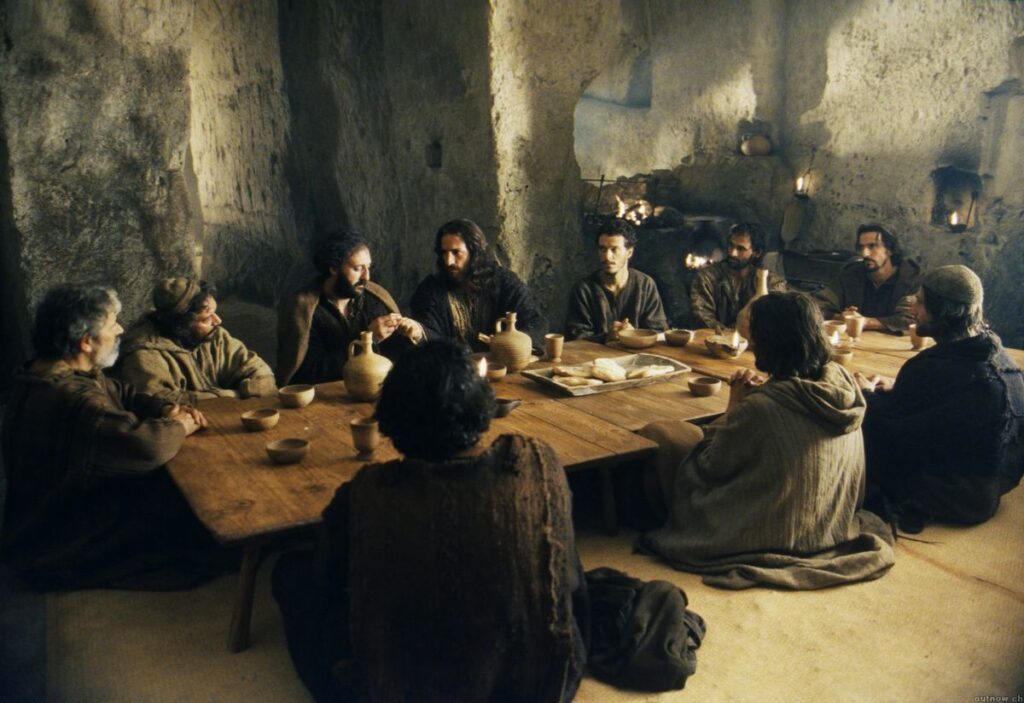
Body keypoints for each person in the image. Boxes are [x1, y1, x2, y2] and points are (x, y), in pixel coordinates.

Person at [272, 339, 587, 703]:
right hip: (541, 687)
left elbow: (330, 582)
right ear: (481, 407)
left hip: (402, 693)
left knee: (291, 574)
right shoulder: (537, 463)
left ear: (391, 419)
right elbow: (570, 582)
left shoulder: (366, 494)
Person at [638, 292, 895, 589]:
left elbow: (712, 467)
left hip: (778, 528)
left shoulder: (762, 408)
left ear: (771, 341)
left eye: (756, 336)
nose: (753, 344)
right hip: (830, 520)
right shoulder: (842, 381)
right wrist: (771, 388)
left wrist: (735, 405)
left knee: (665, 437)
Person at [2, 285, 221, 590]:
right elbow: (147, 446)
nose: (120, 330)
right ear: (86, 341)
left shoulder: (50, 372)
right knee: (188, 508)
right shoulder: (72, 400)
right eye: (111, 324)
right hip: (61, 539)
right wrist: (180, 425)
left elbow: (125, 393)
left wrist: (163, 407)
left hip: (48, 519)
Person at [855, 265, 1024, 531]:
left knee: (857, 424)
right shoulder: (996, 355)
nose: (913, 309)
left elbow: (893, 429)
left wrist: (865, 393)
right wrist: (897, 387)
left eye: (920, 302)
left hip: (957, 496)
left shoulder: (931, 367)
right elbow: (945, 409)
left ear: (943, 312)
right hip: (997, 484)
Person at [276, 231, 423, 386]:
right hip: (324, 394)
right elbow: (309, 373)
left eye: (368, 267)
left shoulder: (374, 298)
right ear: (334, 268)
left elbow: (398, 356)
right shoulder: (303, 309)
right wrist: (367, 341)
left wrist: (412, 333)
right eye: (358, 268)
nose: (366, 277)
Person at [115, 278, 276, 404]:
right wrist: (227, 396)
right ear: (181, 325)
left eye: (214, 313)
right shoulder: (142, 354)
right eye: (206, 318)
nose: (218, 321)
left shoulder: (215, 336)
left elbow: (260, 372)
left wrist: (245, 390)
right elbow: (156, 400)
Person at [410, 219, 547, 353]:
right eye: (444, 252)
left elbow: (535, 321)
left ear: (474, 253)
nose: (448, 261)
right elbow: (430, 334)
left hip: (502, 362)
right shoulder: (431, 290)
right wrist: (420, 331)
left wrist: (513, 342)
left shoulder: (504, 282)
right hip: (454, 365)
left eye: (456, 252)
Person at [565, 217, 668, 342]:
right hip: (595, 354)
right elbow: (575, 337)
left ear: (629, 252)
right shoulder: (584, 289)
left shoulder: (645, 285)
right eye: (602, 249)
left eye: (614, 249)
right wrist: (607, 337)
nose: (607, 256)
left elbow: (659, 332)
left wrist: (634, 334)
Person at [817, 223, 923, 333]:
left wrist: (865, 322)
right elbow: (818, 305)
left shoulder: (910, 279)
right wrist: (842, 317)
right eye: (861, 247)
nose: (864, 254)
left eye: (872, 246)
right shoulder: (851, 275)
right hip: (855, 341)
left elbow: (910, 320)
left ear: (890, 250)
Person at [689, 222, 786, 330]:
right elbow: (702, 316)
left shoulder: (770, 281)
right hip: (715, 338)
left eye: (741, 249)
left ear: (757, 252)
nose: (732, 253)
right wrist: (729, 333)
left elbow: (778, 318)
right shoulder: (707, 277)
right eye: (731, 245)